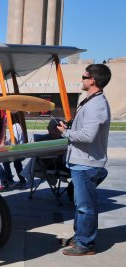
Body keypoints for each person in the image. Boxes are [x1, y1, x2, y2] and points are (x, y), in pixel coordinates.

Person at [57, 64, 111, 256]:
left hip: (86, 164)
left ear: (92, 80)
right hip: (82, 162)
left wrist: (66, 132)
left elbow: (88, 136)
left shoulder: (97, 104)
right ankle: (80, 237)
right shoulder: (91, 101)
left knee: (86, 206)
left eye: (83, 76)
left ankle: (86, 244)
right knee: (81, 205)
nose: (81, 79)